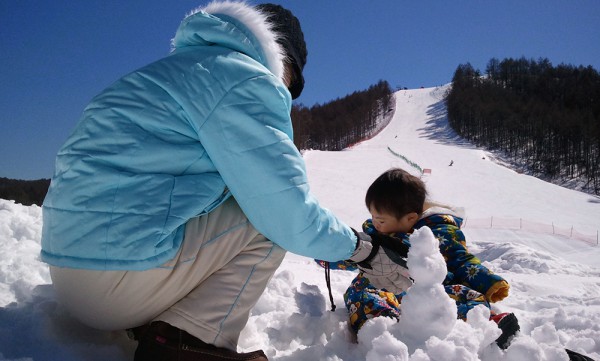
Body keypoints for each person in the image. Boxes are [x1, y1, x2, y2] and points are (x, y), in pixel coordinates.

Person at [41, 2, 377, 360]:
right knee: (265, 221)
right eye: (291, 85)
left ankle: (158, 317)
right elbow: (287, 213)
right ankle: (186, 344)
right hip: (117, 284)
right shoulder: (244, 78)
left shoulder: (170, 73)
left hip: (69, 276)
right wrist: (361, 248)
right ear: (284, 61)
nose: (286, 95)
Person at [319, 168, 519, 349]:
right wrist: (329, 253)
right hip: (383, 287)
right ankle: (383, 327)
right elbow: (358, 253)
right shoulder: (377, 235)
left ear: (410, 218)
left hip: (430, 292)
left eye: (380, 220)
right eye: (373, 217)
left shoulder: (439, 233)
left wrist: (488, 282)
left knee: (468, 299)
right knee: (361, 294)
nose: (375, 224)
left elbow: (460, 260)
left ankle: (487, 324)